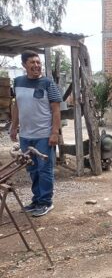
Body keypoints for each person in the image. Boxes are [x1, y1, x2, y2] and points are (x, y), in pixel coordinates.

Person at [9, 50, 62, 217]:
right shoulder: (17, 82)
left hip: (44, 135)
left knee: (44, 169)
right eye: (32, 63)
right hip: (25, 135)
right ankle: (37, 200)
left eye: (38, 63)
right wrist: (13, 126)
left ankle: (46, 202)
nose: (36, 66)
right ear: (24, 65)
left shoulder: (48, 83)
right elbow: (16, 106)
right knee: (31, 169)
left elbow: (56, 109)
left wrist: (54, 132)